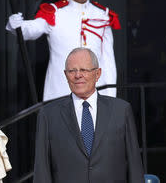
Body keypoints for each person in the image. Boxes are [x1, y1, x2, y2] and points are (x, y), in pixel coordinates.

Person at [6, 0, 120, 101]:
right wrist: (17, 25)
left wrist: (110, 98)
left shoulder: (102, 15)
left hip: (95, 95)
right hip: (60, 93)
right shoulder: (55, 13)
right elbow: (31, 30)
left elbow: (108, 61)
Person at [33, 47, 144, 183]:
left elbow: (135, 167)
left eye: (84, 70)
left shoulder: (121, 111)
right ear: (65, 75)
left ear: (97, 74)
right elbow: (42, 171)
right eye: (72, 71)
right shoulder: (48, 115)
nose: (78, 75)